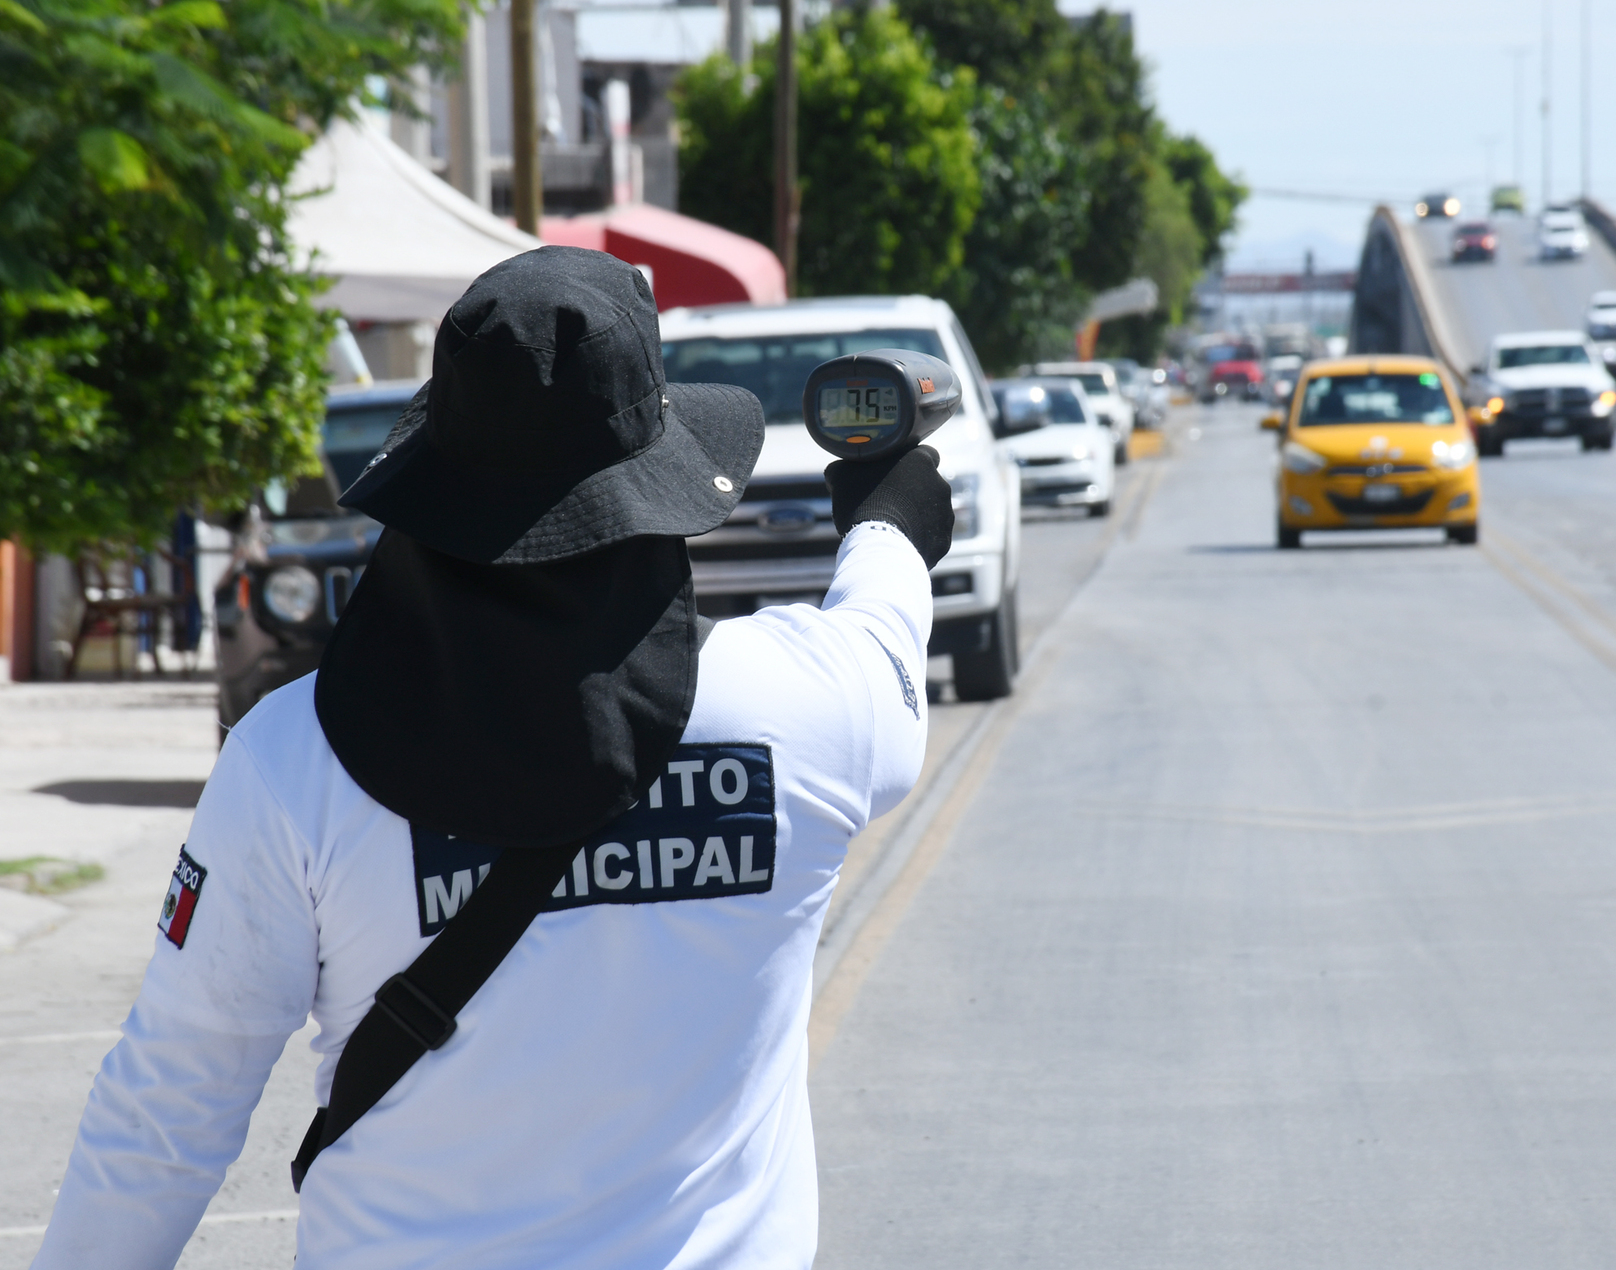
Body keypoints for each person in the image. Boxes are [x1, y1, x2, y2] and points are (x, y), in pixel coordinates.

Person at [32, 245, 955, 1269]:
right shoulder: (806, 709)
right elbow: (883, 626)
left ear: (435, 486)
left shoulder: (295, 763)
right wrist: (890, 516)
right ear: (664, 478)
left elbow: (166, 1110)